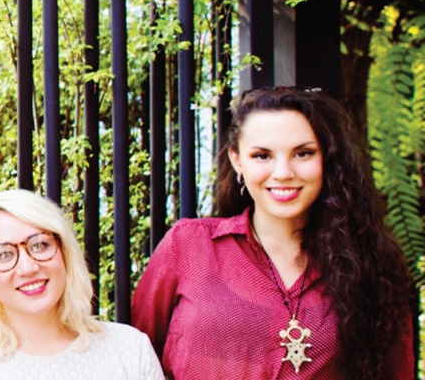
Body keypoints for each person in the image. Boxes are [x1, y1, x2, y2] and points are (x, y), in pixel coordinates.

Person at [131, 87, 416, 378]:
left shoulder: (371, 265)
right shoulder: (189, 245)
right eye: (262, 155)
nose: (283, 172)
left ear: (327, 159)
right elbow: (132, 359)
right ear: (237, 160)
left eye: (303, 153)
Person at [0, 190, 161, 379]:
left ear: (64, 251)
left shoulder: (130, 350)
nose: (28, 267)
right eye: (4, 254)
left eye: (40, 245)